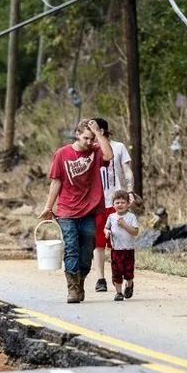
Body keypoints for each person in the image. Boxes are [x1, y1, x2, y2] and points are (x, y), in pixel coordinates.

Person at [41, 119, 114, 303]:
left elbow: (109, 155)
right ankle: (72, 288)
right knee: (72, 249)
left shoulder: (96, 151)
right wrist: (49, 207)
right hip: (67, 210)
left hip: (90, 210)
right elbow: (56, 181)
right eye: (86, 138)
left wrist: (98, 133)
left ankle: (80, 281)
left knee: (87, 251)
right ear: (77, 134)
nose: (89, 142)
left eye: (92, 139)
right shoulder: (62, 153)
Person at [89, 118, 136, 293]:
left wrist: (130, 191)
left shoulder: (119, 147)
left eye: (94, 130)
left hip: (118, 202)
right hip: (98, 203)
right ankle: (101, 279)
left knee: (120, 242)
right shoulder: (90, 149)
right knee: (99, 243)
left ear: (102, 130)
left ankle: (125, 277)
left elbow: (127, 170)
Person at [104, 190, 140, 301]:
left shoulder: (131, 217)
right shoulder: (111, 217)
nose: (120, 205)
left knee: (128, 272)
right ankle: (118, 293)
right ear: (113, 204)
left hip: (128, 249)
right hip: (116, 249)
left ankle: (129, 285)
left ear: (128, 203)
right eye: (117, 202)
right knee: (117, 272)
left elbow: (135, 232)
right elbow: (106, 228)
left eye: (123, 202)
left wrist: (124, 225)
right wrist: (107, 232)